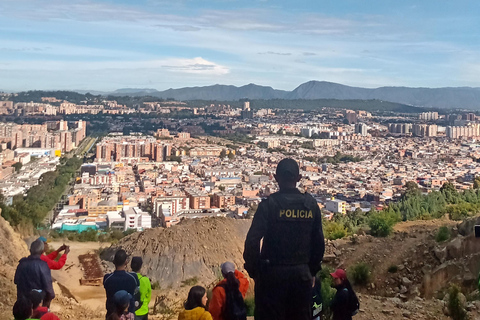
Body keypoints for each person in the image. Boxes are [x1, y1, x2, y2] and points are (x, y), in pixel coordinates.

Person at [244, 158, 325, 320]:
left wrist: (256, 271)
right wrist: (311, 271)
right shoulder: (310, 206)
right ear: (299, 178)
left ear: (275, 177)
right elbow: (319, 244)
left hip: (272, 277)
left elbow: (252, 241)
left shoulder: (269, 206)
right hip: (301, 277)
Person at [14, 239, 55, 308]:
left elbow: (16, 281)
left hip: (23, 302)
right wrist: (47, 302)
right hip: (37, 303)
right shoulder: (43, 265)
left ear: (30, 251)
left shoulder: (21, 264)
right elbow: (49, 289)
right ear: (42, 251)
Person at [104, 249, 139, 319]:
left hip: (112, 316)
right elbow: (136, 295)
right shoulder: (133, 278)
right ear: (126, 262)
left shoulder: (107, 278)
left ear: (114, 262)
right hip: (128, 316)